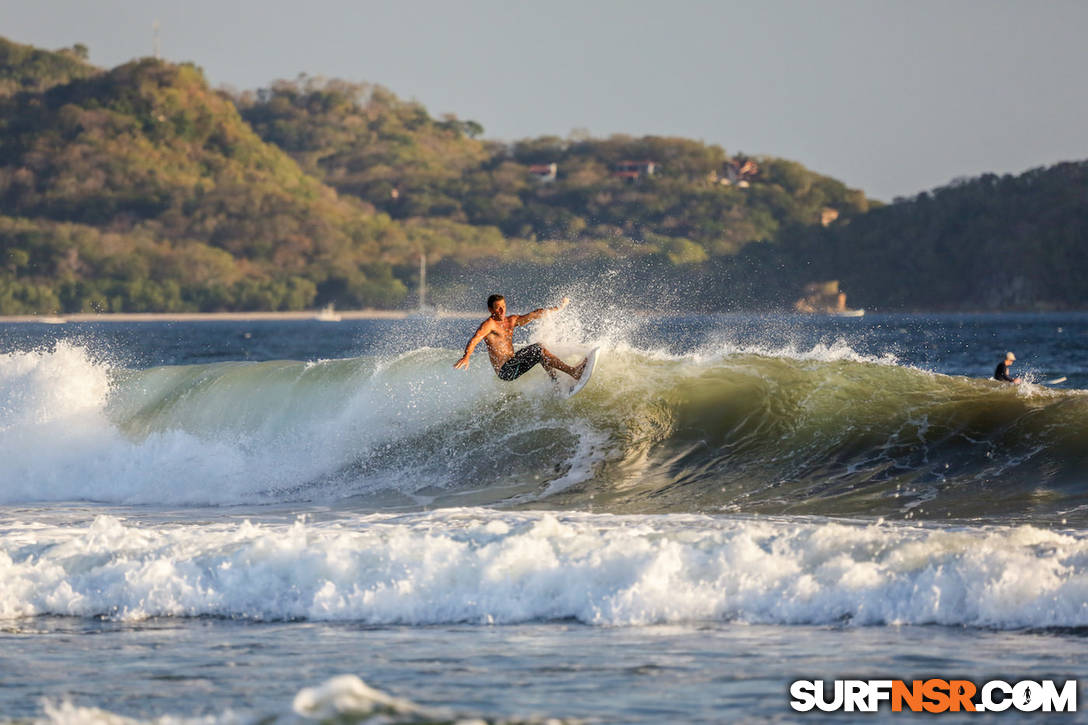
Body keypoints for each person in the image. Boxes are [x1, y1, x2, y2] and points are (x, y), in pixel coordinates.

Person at [454, 294, 586, 383]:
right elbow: (474, 340)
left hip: (513, 362)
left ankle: (555, 381)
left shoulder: (511, 320)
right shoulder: (489, 325)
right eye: (498, 308)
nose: (502, 310)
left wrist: (559, 308)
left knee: (539, 350)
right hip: (505, 371)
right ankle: (573, 372)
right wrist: (467, 356)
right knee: (538, 349)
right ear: (490, 309)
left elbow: (534, 314)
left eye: (503, 307)